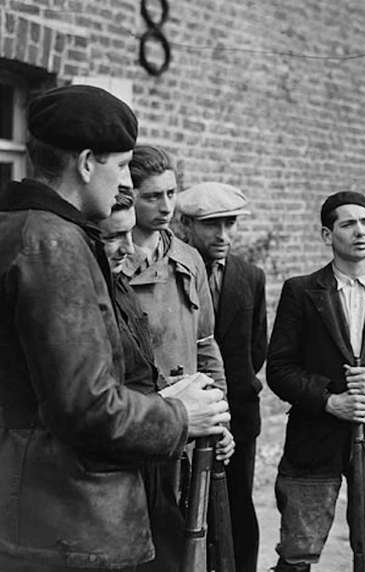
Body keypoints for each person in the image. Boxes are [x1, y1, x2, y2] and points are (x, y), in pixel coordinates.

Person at [0, 85, 229, 571]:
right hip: (69, 525)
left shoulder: (25, 228)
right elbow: (86, 407)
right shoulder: (53, 244)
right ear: (86, 163)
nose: (124, 179)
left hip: (41, 517)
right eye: (122, 165)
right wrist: (179, 415)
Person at [267, 191, 365, 572]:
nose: (360, 232)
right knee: (297, 549)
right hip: (314, 436)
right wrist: (328, 400)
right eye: (348, 224)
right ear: (327, 235)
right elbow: (280, 368)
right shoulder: (302, 291)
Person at [96, 190, 235, 572]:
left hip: (157, 446)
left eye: (129, 235)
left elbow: (200, 348)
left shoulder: (122, 288)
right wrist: (176, 408)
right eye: (112, 237)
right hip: (114, 466)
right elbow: (94, 398)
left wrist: (212, 415)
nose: (126, 249)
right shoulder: (91, 294)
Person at [177, 182, 267, 572]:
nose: (224, 235)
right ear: (187, 225)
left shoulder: (250, 277)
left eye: (230, 224)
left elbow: (256, 348)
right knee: (188, 508)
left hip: (239, 416)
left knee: (237, 506)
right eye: (212, 225)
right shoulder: (177, 271)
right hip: (187, 411)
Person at [121, 144, 226, 392]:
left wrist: (220, 414)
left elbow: (206, 346)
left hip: (190, 412)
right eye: (152, 196)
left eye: (171, 193)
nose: (167, 207)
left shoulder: (189, 260)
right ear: (128, 195)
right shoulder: (111, 261)